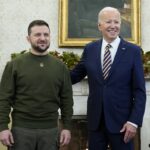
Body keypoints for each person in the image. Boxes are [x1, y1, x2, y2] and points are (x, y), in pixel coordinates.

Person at [70, 7, 146, 150]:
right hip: (96, 123)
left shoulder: (133, 51)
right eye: (108, 22)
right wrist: (52, 73)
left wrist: (134, 122)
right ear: (99, 26)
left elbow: (140, 91)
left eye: (116, 22)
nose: (113, 26)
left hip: (123, 125)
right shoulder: (90, 49)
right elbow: (74, 76)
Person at [0, 20, 73, 150]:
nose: (42, 38)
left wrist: (67, 127)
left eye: (46, 34)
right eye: (37, 35)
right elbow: (3, 99)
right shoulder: (14, 65)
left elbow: (67, 100)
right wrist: (3, 127)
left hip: (50, 131)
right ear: (28, 38)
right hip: (21, 130)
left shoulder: (60, 67)